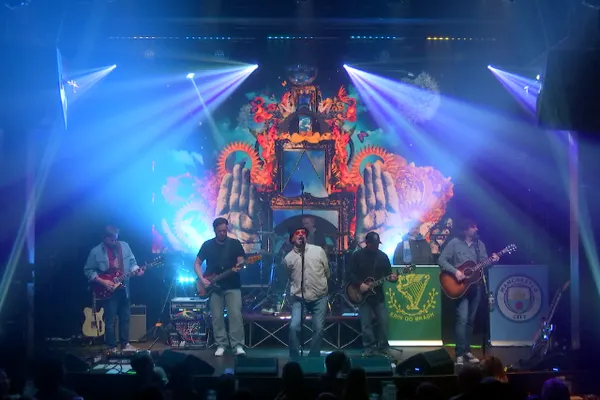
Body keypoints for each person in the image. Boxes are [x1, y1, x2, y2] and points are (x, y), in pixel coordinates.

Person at [438, 219, 500, 365]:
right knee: (462, 319)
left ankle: (467, 350)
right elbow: (441, 260)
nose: (476, 229)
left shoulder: (480, 245)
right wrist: (456, 272)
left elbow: (484, 264)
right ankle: (459, 353)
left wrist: (493, 261)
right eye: (473, 226)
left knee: (470, 321)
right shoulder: (454, 243)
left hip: (475, 287)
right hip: (460, 287)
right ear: (465, 229)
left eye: (476, 226)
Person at [84, 225, 143, 352]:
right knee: (110, 321)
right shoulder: (95, 252)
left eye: (116, 238)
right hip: (108, 290)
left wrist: (136, 270)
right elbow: (88, 271)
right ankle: (111, 347)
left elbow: (132, 263)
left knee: (125, 318)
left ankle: (125, 345)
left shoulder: (125, 246)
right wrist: (103, 282)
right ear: (104, 238)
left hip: (124, 288)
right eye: (111, 240)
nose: (114, 241)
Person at [194, 217, 247, 356]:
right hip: (213, 286)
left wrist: (239, 266)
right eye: (220, 231)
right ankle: (221, 344)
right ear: (214, 231)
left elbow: (241, 260)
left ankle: (237, 345)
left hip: (232, 285)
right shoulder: (207, 245)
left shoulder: (235, 244)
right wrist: (202, 279)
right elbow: (197, 263)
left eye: (224, 230)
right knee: (217, 316)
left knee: (235, 315)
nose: (223, 233)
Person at [348, 231, 397, 357]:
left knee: (383, 322)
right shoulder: (357, 255)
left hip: (378, 295)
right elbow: (350, 273)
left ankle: (383, 346)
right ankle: (369, 347)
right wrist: (360, 285)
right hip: (362, 295)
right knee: (366, 324)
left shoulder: (383, 257)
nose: (376, 246)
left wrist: (393, 279)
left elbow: (389, 274)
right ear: (367, 243)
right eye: (373, 244)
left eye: (377, 244)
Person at [283, 227, 330, 357]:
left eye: (303, 233)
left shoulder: (318, 251)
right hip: (299, 298)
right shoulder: (288, 258)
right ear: (292, 239)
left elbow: (327, 271)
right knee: (294, 327)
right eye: (297, 233)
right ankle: (294, 357)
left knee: (319, 328)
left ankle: (313, 356)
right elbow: (289, 276)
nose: (300, 235)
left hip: (319, 296)